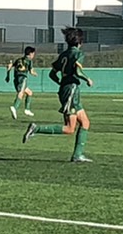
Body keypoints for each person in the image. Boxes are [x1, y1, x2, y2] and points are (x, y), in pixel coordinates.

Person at [23, 25, 93, 162]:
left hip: (67, 89)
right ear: (80, 41)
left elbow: (52, 74)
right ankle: (36, 129)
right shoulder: (78, 54)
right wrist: (87, 79)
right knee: (70, 128)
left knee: (85, 122)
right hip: (71, 90)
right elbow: (78, 71)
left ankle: (77, 155)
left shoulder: (63, 55)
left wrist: (61, 83)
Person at [6, 46, 36, 119]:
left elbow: (10, 66)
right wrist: (35, 73)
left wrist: (7, 76)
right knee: (21, 93)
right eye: (33, 54)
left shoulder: (18, 60)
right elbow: (31, 72)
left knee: (29, 93)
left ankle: (27, 109)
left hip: (16, 79)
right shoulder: (29, 61)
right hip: (23, 78)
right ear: (30, 54)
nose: (33, 55)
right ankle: (14, 107)